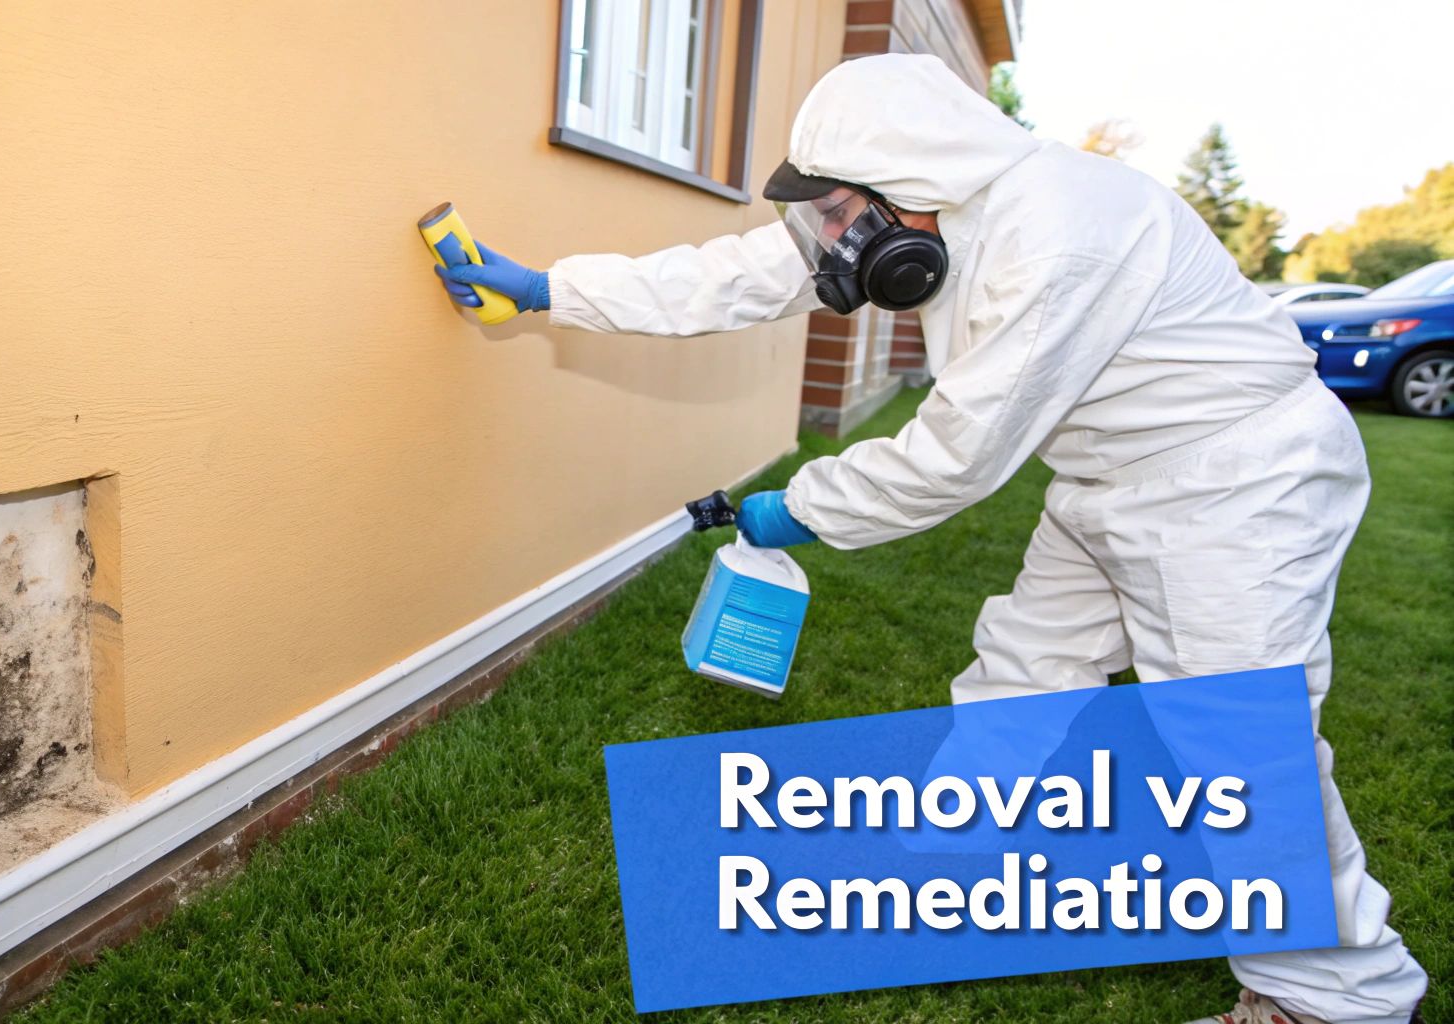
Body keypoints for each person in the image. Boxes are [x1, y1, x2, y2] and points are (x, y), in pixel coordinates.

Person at [432, 53, 1425, 1024]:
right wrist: (550, 289)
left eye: (835, 214)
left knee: (1237, 743)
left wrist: (802, 506)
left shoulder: (1063, 230)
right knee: (1024, 665)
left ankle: (1336, 998)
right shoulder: (913, 205)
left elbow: (955, 458)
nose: (829, 240)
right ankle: (953, 854)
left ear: (910, 181)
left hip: (1232, 483)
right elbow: (730, 274)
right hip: (1108, 478)